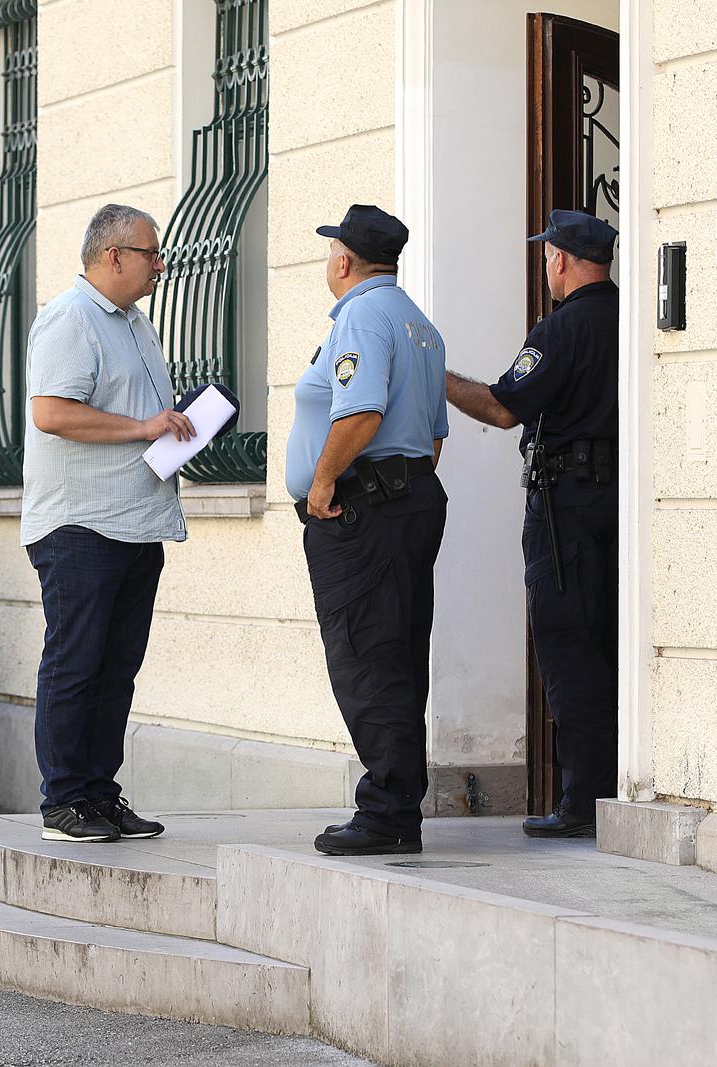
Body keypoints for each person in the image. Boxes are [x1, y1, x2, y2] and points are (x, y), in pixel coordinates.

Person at [18, 203, 192, 844]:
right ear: (113, 255)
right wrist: (146, 427)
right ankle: (63, 801)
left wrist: (174, 426)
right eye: (151, 254)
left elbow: (134, 411)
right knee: (76, 662)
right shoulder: (72, 317)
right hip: (81, 524)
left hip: (137, 521)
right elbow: (52, 413)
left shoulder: (135, 324)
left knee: (117, 667)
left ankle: (98, 792)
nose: (160, 265)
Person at [444, 208, 619, 840]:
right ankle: (614, 786)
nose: (546, 263)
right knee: (609, 643)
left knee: (568, 646)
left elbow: (501, 407)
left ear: (564, 261)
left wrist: (436, 379)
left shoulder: (560, 330)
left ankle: (583, 802)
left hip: (565, 508)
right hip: (621, 504)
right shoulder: (626, 317)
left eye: (548, 254)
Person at [287, 204, 448, 857]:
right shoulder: (420, 324)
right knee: (401, 656)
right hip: (409, 500)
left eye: (331, 250)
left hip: (362, 510)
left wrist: (323, 482)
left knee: (366, 655)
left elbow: (360, 410)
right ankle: (398, 804)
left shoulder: (360, 315)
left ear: (345, 260)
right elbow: (434, 438)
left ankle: (386, 809)